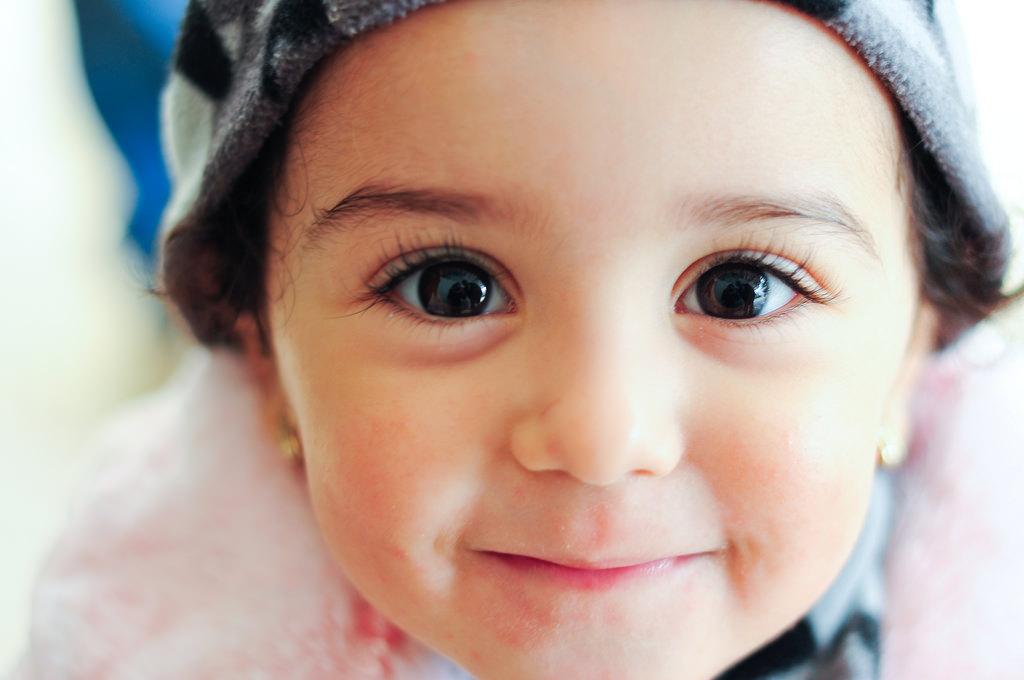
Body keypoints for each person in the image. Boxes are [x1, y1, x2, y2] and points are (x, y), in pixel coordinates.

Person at [9, 0, 1024, 678]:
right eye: (451, 290)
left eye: (740, 290)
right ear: (264, 351)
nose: (599, 436)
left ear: (911, 351)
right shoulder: (144, 637)